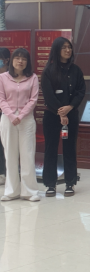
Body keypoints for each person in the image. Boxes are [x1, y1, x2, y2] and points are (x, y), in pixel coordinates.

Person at [41, 37, 85, 197]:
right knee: (50, 148)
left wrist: (69, 108)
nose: (68, 50)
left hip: (71, 114)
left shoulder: (76, 70)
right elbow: (48, 94)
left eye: (69, 47)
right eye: (64, 47)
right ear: (56, 49)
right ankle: (50, 184)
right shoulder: (48, 71)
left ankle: (70, 183)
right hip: (52, 115)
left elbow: (81, 91)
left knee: (70, 148)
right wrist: (61, 111)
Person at [0, 49, 39, 201]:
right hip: (7, 119)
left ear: (27, 62)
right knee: (10, 155)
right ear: (11, 60)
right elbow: (1, 99)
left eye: (24, 59)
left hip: (26, 120)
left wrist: (21, 115)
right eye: (17, 58)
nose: (20, 61)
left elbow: (33, 100)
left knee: (27, 154)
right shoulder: (3, 77)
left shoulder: (33, 78)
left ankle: (29, 192)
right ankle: (11, 191)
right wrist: (11, 115)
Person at [0, 47, 10, 185]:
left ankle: (4, 172)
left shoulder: (10, 76)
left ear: (7, 60)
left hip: (7, 114)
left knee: (5, 145)